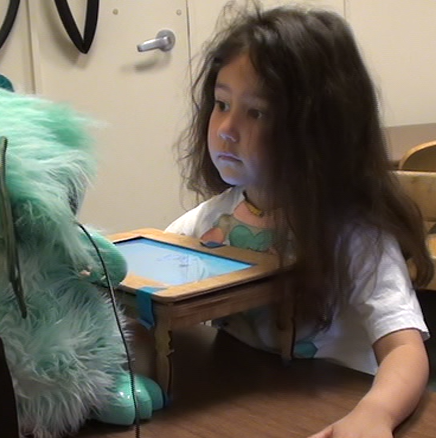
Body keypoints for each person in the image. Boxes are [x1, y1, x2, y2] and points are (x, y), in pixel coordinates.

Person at [166, 2, 434, 437]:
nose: (227, 129)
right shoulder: (209, 220)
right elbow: (136, 276)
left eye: (257, 112)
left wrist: (376, 414)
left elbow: (404, 349)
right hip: (241, 406)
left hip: (331, 409)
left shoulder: (355, 234)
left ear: (318, 129)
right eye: (220, 103)